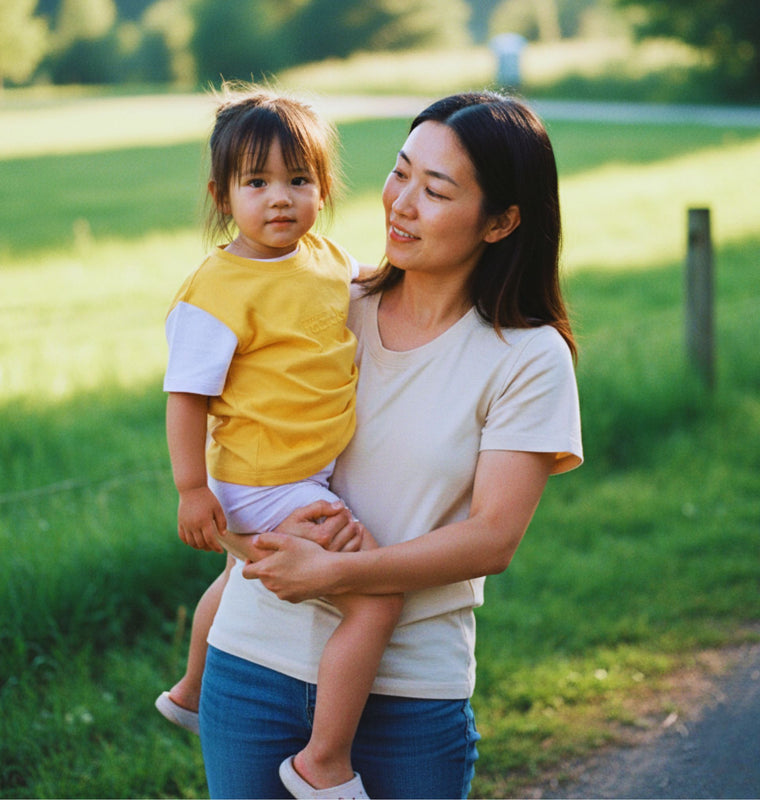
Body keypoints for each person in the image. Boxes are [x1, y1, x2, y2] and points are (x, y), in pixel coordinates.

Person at [192, 90, 584, 800]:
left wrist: (334, 577)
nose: (401, 202)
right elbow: (235, 459)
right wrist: (253, 542)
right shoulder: (326, 303)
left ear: (501, 222)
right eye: (400, 172)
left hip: (412, 692)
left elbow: (493, 538)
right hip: (254, 665)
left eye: (435, 190)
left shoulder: (528, 357)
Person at [158, 85, 403, 800]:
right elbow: (187, 398)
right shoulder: (217, 290)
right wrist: (191, 488)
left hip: (302, 473)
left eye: (299, 180)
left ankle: (192, 692)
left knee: (236, 579)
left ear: (323, 189)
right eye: (256, 182)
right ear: (221, 193)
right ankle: (322, 761)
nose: (280, 199)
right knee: (377, 599)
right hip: (264, 480)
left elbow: (379, 285)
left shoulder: (327, 258)